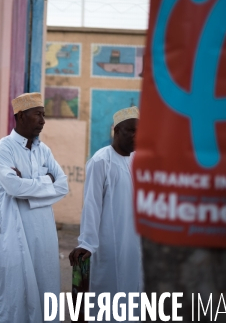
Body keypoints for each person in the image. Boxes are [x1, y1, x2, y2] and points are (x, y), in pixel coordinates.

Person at [0, 92, 69, 323]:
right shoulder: (3, 149)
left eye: (44, 115)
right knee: (17, 288)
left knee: (47, 285)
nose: (43, 120)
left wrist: (30, 184)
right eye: (38, 115)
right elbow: (13, 187)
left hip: (44, 231)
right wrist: (47, 181)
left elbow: (63, 186)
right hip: (17, 232)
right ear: (21, 116)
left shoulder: (44, 150)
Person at [69, 106, 142, 321]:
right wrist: (87, 243)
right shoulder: (101, 161)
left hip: (134, 245)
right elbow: (91, 205)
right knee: (107, 300)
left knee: (133, 299)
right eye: (132, 131)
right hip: (109, 246)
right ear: (117, 131)